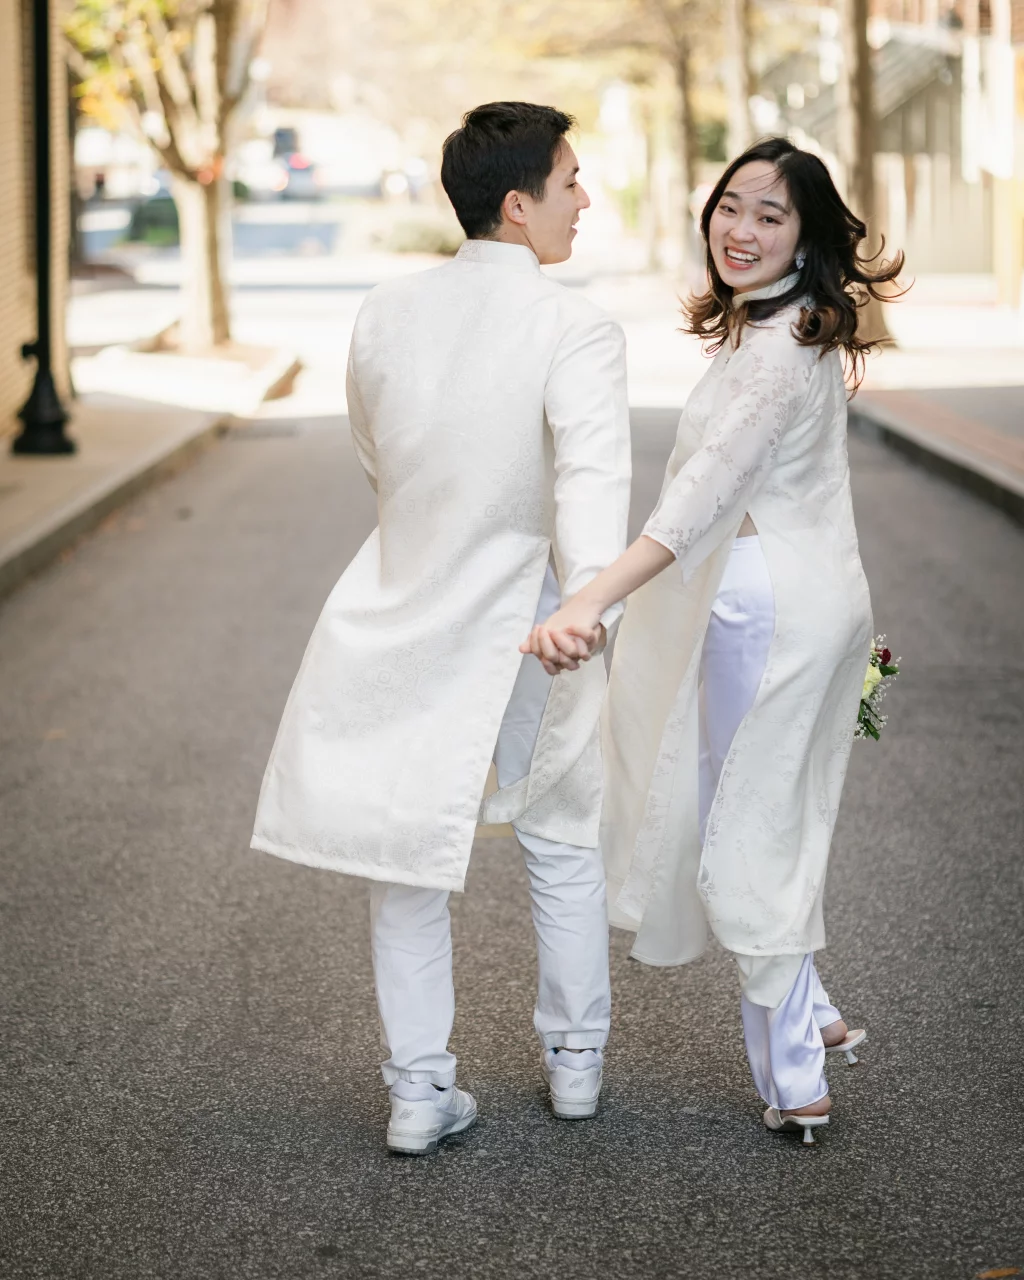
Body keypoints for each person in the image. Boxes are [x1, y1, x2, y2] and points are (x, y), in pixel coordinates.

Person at [252, 102, 632, 1154]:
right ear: (518, 208)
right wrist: (585, 604)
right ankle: (574, 1067)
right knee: (559, 834)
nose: (583, 199)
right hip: (531, 619)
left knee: (404, 855)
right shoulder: (575, 325)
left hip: (404, 606)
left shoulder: (385, 309)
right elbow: (592, 482)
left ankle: (418, 1091)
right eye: (568, 182)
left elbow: (380, 460)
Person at [523, 136, 903, 1144]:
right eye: (731, 206)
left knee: (748, 826)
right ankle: (813, 1007)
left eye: (770, 216)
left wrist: (589, 600)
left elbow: (697, 501)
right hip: (811, 600)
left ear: (808, 235)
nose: (739, 229)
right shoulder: (781, 327)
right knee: (768, 801)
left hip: (758, 610)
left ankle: (795, 1078)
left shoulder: (778, 349)